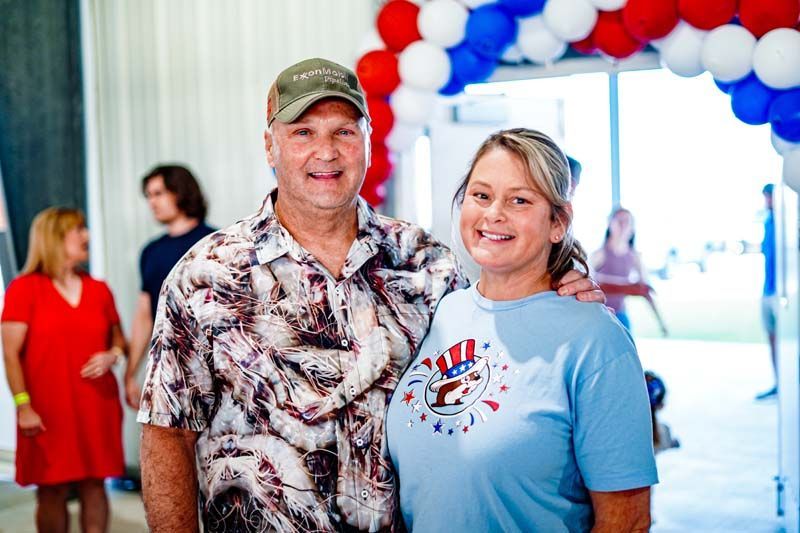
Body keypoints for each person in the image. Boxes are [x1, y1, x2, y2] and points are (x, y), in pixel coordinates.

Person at [135, 57, 604, 532]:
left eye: (344, 131)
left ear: (367, 142)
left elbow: (497, 347)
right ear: (270, 146)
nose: (326, 152)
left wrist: (555, 290)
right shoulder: (206, 275)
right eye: (303, 133)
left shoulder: (428, 265)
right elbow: (167, 434)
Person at [386, 129, 657, 531]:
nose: (494, 213)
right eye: (481, 195)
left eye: (519, 200)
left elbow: (627, 521)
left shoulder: (596, 341)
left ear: (558, 222)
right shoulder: (444, 310)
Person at [1, 207, 126, 532]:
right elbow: (10, 354)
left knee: (95, 485)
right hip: (46, 411)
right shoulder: (24, 289)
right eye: (79, 229)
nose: (87, 235)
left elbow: (119, 341)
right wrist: (22, 405)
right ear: (55, 238)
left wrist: (112, 355)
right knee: (51, 489)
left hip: (97, 405)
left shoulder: (99, 289)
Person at [123, 164, 214, 410]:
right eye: (149, 196)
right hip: (167, 365)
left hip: (211, 366)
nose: (152, 202)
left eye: (159, 193)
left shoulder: (215, 243)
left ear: (180, 192)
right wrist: (131, 372)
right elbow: (144, 315)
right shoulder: (150, 252)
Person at [591, 207, 667, 335]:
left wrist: (661, 323)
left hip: (620, 314)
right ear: (610, 224)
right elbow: (588, 281)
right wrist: (627, 286)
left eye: (627, 221)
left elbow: (645, 290)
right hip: (599, 315)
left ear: (632, 229)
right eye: (619, 220)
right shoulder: (599, 254)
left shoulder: (635, 257)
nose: (623, 224)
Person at [756, 183, 777, 400]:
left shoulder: (785, 222)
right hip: (768, 288)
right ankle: (778, 382)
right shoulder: (768, 222)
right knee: (771, 337)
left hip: (782, 292)